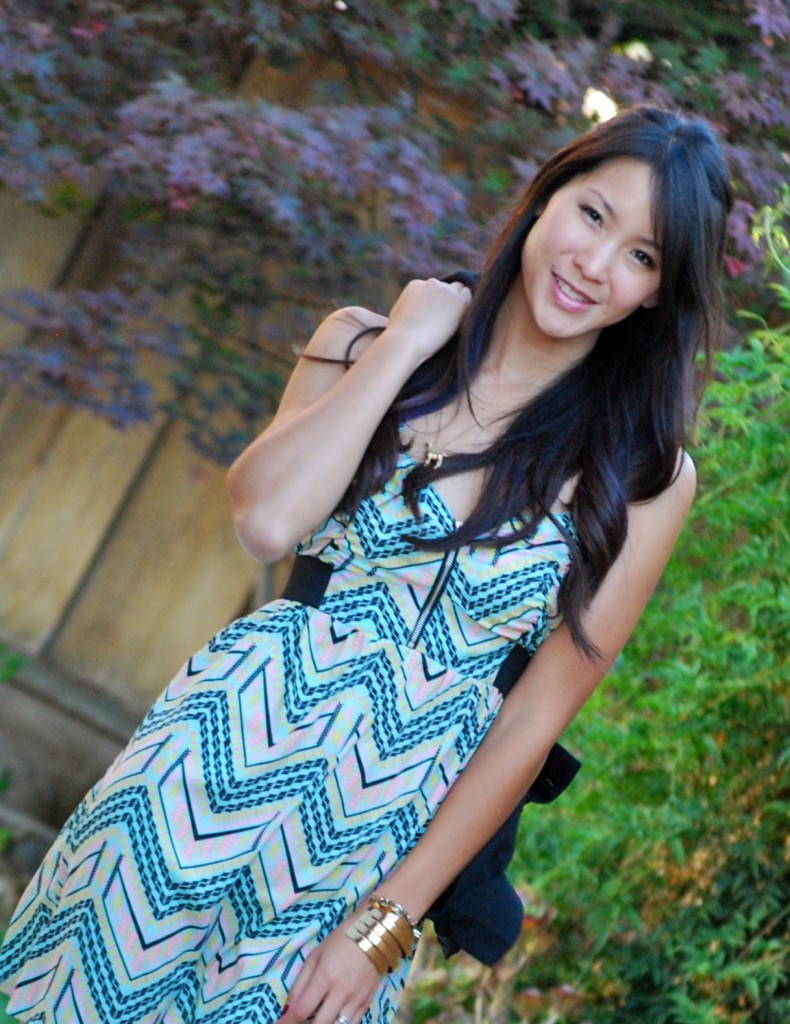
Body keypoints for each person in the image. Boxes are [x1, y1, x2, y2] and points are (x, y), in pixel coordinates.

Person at [0, 105, 732, 1024]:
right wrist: (403, 347)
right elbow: (267, 520)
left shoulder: (647, 479)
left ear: (657, 294)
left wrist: (385, 924)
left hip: (372, 851)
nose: (595, 262)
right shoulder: (363, 341)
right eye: (593, 214)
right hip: (196, 779)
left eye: (643, 255)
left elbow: (533, 720)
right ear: (547, 198)